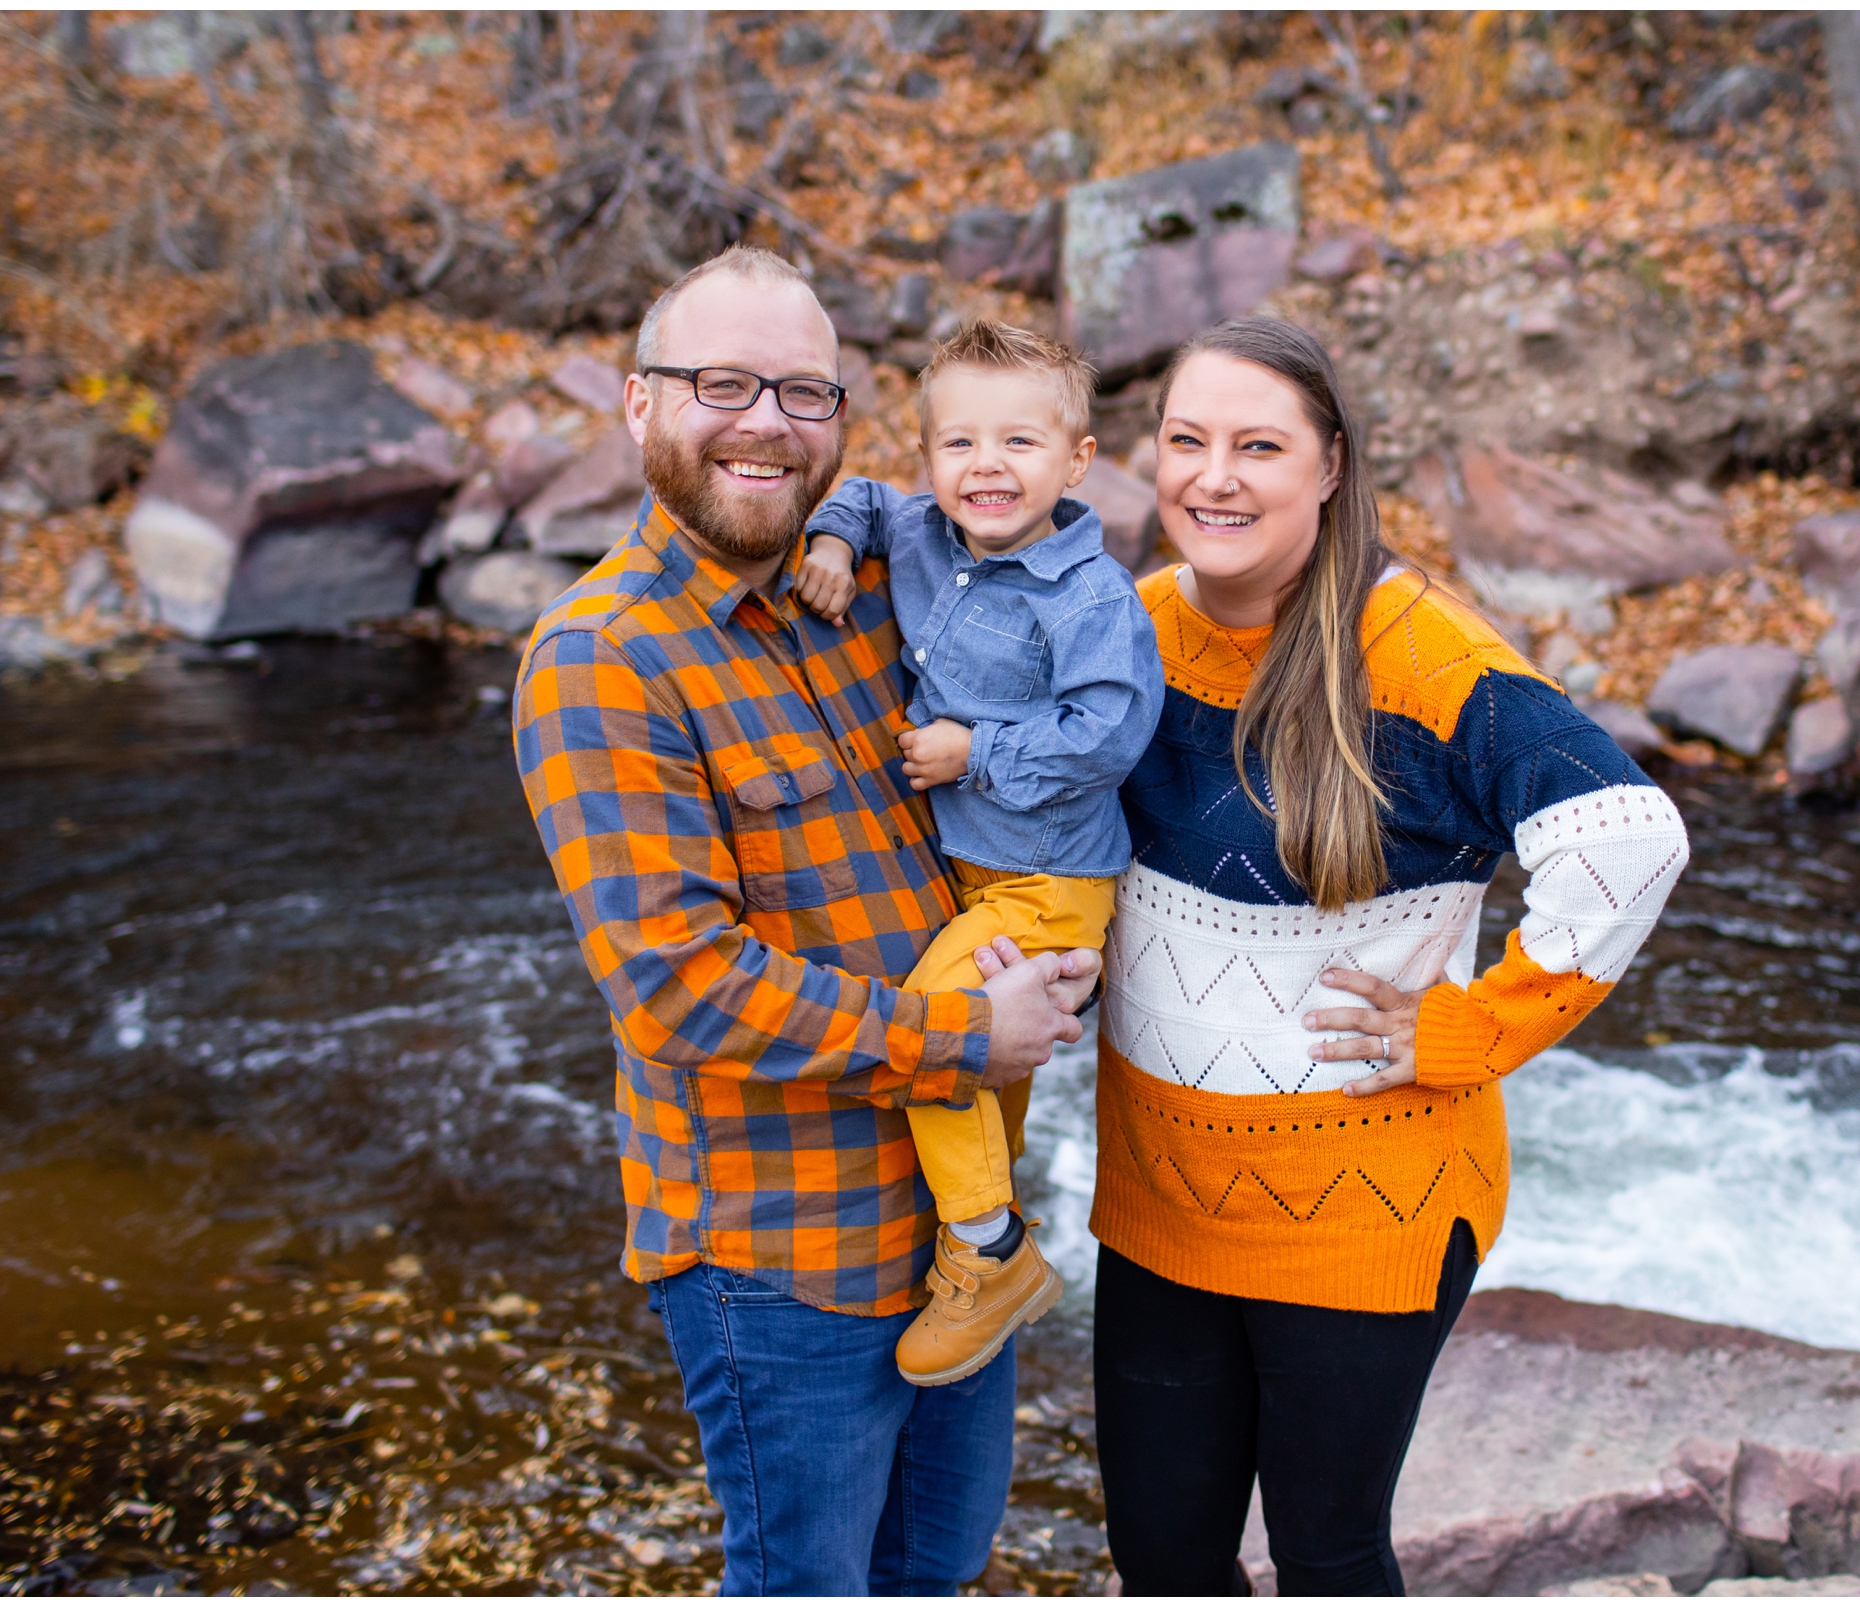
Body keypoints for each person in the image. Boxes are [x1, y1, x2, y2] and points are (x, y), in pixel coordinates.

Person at [1064, 316, 1692, 1594]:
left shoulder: (1422, 656)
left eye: (1258, 446)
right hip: (1158, 1196)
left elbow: (1630, 836)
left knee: (1328, 1551)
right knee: (1163, 1557)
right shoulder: (1129, 628)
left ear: (1332, 465)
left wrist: (1465, 1030)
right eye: (1186, 441)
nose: (1213, 476)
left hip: (1364, 1202)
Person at [509, 246, 1099, 1596]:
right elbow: (677, 980)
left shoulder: (871, 587)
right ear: (639, 403)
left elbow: (1006, 513)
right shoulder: (601, 656)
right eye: (724, 383)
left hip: (962, 1231)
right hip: (782, 1257)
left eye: (805, 392)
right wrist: (963, 1036)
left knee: (936, 1568)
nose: (767, 422)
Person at [795, 319, 1163, 1387]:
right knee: (988, 1078)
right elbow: (861, 499)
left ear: (1077, 460)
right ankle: (978, 1236)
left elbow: (1107, 736)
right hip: (967, 874)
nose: (986, 467)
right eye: (958, 444)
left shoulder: (1089, 598)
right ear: (929, 457)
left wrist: (974, 752)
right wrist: (826, 540)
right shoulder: (915, 532)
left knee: (940, 1034)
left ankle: (991, 1251)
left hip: (1051, 877)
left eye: (1018, 444)